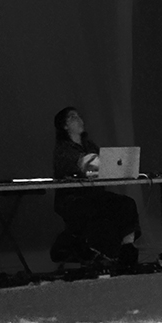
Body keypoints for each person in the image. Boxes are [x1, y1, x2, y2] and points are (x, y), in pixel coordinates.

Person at [51, 106, 140, 268]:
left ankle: (127, 248)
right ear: (64, 126)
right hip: (73, 199)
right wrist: (100, 164)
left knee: (126, 204)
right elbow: (87, 163)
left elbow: (105, 164)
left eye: (79, 116)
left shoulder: (89, 145)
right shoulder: (63, 149)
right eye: (73, 117)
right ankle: (95, 252)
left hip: (94, 195)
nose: (79, 120)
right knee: (95, 213)